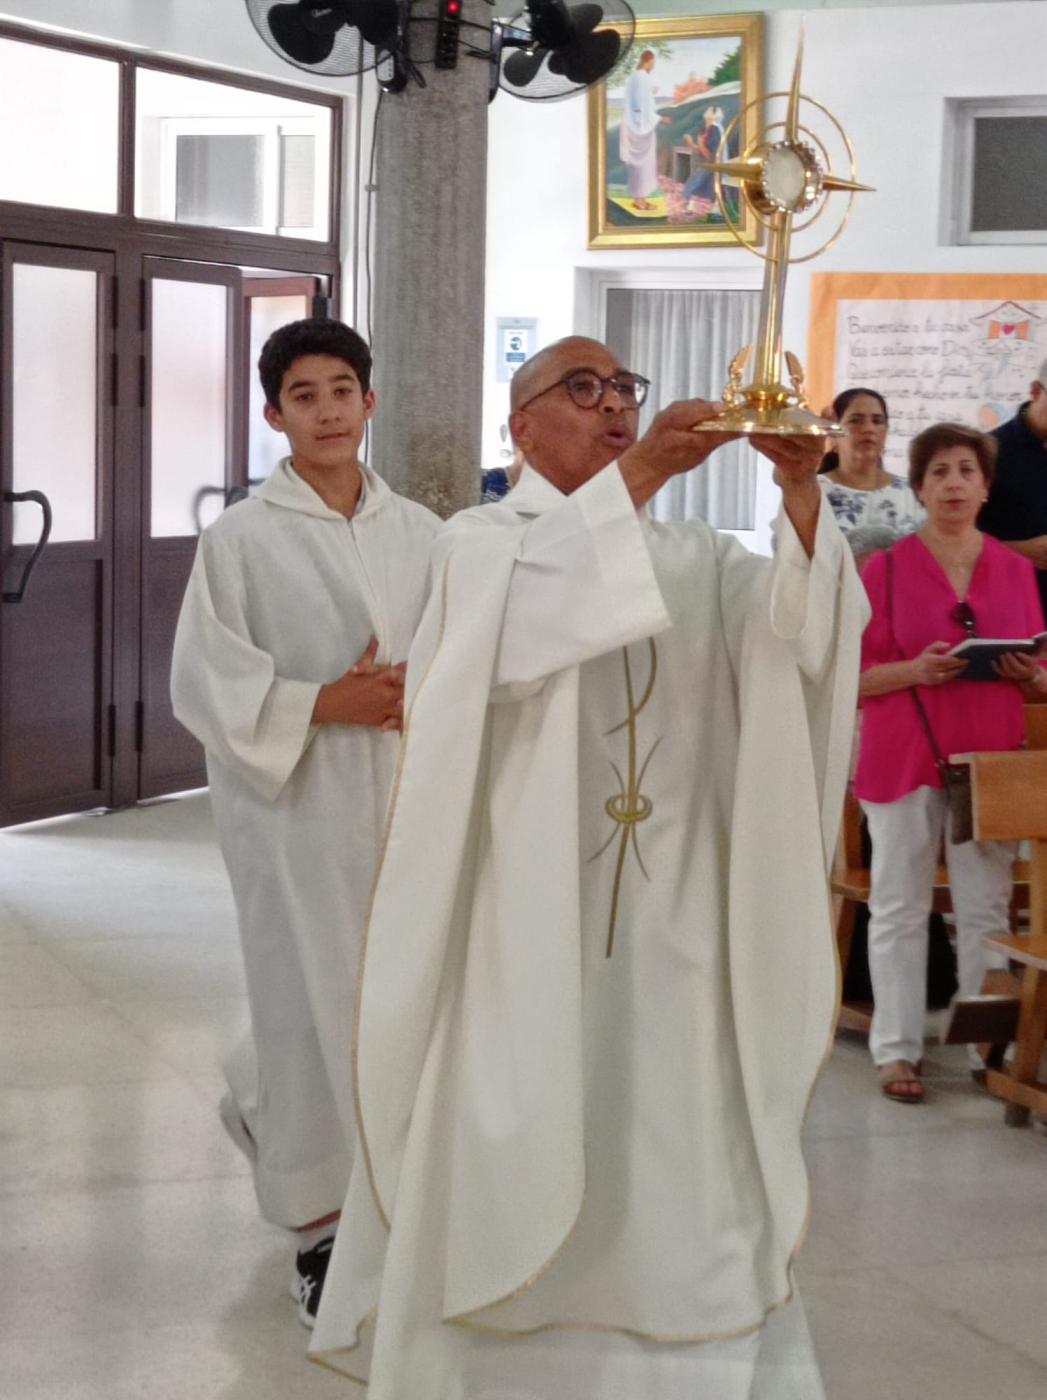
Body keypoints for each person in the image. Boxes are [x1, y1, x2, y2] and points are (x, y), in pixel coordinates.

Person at [309, 336, 867, 1398]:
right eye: (582, 388)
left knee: (676, 1138)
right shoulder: (479, 545)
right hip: (524, 915)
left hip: (677, 918)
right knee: (522, 1108)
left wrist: (801, 498)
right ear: (519, 426)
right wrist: (645, 468)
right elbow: (517, 636)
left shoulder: (697, 558)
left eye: (623, 389)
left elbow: (799, 641)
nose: (613, 404)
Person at [170, 318, 440, 1325]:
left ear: (370, 401)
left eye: (341, 390)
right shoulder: (241, 539)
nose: (327, 411)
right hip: (293, 808)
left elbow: (460, 651)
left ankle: (398, 1199)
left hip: (407, 801)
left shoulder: (424, 532)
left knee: (402, 1001)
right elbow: (203, 680)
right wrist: (327, 700)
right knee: (305, 1002)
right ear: (273, 414)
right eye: (303, 395)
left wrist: (416, 689)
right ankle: (320, 1229)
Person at [855, 422, 1047, 1104]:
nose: (953, 484)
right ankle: (895, 1050)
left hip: (987, 756)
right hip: (902, 749)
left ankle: (983, 1047)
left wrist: (1029, 673)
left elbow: (1039, 673)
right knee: (899, 904)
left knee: (984, 905)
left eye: (966, 470)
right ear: (918, 488)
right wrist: (914, 669)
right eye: (937, 472)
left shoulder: (1016, 571)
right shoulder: (883, 569)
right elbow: (851, 679)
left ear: (986, 486)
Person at [979, 356, 1047, 619]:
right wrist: (1017, 551)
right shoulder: (988, 451)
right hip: (1008, 611)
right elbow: (952, 538)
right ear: (1035, 391)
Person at [818, 387, 924, 536]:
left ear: (886, 431)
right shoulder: (814, 492)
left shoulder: (911, 494)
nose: (869, 428)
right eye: (856, 420)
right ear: (834, 433)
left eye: (877, 421)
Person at [619, 50, 666, 212]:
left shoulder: (634, 76)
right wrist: (659, 118)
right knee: (644, 165)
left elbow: (637, 100)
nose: (653, 66)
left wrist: (650, 93)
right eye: (653, 63)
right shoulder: (643, 77)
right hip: (641, 127)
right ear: (648, 61)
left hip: (633, 124)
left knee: (636, 166)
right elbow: (642, 104)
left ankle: (638, 199)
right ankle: (641, 202)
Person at [681, 104, 725, 210]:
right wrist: (691, 143)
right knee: (699, 186)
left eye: (710, 111)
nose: (707, 112)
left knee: (693, 184)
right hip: (708, 164)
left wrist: (697, 143)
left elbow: (711, 156)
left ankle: (686, 204)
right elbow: (701, 151)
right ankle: (690, 205)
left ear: (713, 115)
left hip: (711, 164)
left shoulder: (714, 129)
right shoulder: (707, 129)